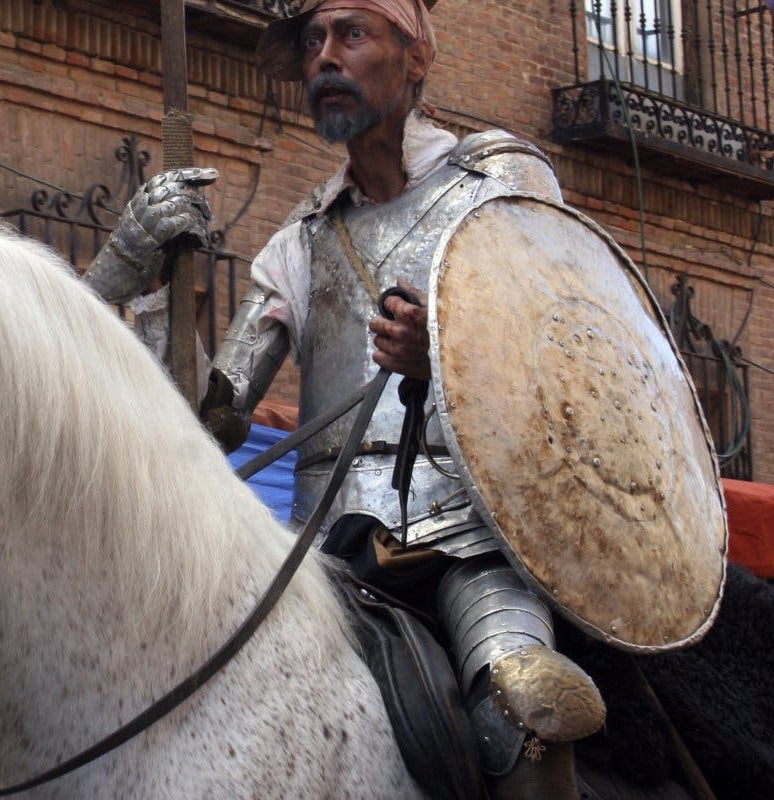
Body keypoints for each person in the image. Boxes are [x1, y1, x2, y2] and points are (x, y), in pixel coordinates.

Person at [84, 1, 605, 797]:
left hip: (472, 539)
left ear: (417, 55)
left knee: (527, 701)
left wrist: (446, 356)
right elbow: (207, 424)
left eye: (351, 34)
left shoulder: (500, 181)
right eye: (314, 42)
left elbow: (566, 364)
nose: (325, 56)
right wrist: (156, 284)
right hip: (319, 549)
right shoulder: (302, 238)